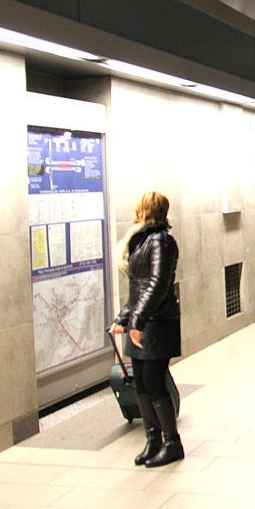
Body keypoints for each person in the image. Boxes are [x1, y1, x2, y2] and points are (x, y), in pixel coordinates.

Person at [109, 191, 183, 468]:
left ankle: (172, 443)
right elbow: (136, 288)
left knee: (153, 381)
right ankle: (153, 441)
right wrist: (124, 318)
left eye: (137, 208)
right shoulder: (140, 241)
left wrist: (137, 322)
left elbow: (157, 286)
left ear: (145, 212)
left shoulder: (161, 242)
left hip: (158, 322)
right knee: (140, 382)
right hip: (142, 321)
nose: (133, 212)